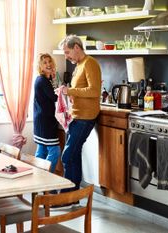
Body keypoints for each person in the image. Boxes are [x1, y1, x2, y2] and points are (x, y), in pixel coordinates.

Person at [57, 35, 101, 193]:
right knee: (73, 156)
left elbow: (94, 91)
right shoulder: (79, 65)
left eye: (67, 52)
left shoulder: (90, 63)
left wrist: (69, 91)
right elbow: (81, 90)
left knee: (67, 156)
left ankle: (67, 194)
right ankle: (72, 195)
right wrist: (68, 94)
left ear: (77, 47)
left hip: (85, 118)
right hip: (76, 116)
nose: (66, 56)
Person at [33, 53, 60, 173]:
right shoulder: (43, 80)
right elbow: (54, 97)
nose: (48, 64)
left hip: (40, 120)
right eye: (45, 63)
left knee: (42, 150)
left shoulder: (42, 79)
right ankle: (47, 177)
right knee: (55, 151)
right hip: (46, 121)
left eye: (49, 61)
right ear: (40, 66)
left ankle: (38, 177)